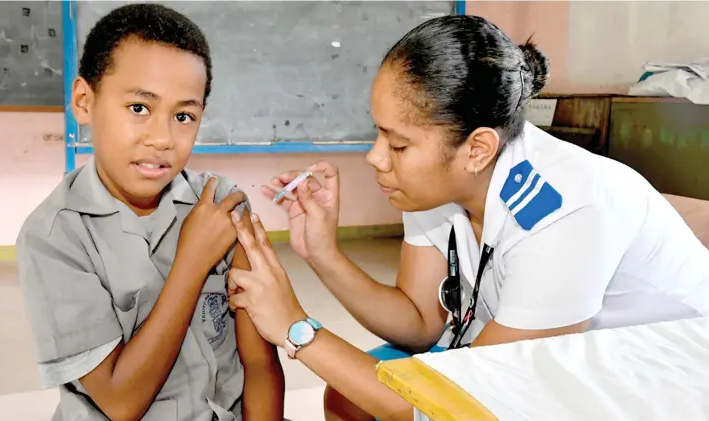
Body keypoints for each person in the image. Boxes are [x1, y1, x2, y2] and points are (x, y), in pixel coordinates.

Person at [226, 14, 709, 421]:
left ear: (477, 147)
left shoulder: (568, 212)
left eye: (397, 144)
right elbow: (420, 323)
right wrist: (322, 253)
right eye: (379, 134)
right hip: (547, 360)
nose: (375, 158)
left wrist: (295, 326)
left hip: (648, 387)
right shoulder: (440, 179)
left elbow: (461, 406)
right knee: (350, 398)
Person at [15, 4, 284, 421]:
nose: (162, 138)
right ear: (84, 102)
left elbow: (260, 365)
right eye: (139, 107)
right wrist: (192, 262)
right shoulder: (54, 238)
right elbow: (121, 402)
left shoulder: (221, 204)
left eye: (183, 116)